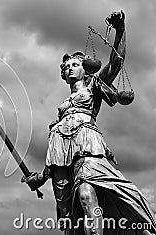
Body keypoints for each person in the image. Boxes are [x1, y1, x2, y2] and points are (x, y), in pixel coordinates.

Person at [23, 10, 156, 235]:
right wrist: (40, 177)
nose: (68, 68)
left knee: (86, 194)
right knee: (67, 216)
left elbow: (116, 62)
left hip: (87, 147)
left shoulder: (93, 87)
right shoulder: (63, 108)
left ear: (85, 68)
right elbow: (54, 158)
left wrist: (120, 30)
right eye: (65, 68)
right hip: (60, 156)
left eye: (74, 64)